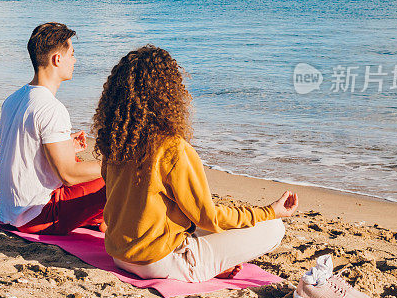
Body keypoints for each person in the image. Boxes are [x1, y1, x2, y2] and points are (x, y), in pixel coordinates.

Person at [92, 45, 298, 282]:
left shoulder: (116, 140)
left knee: (200, 224)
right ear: (168, 93)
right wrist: (269, 212)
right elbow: (206, 217)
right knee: (274, 228)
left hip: (120, 254)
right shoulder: (172, 147)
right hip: (158, 262)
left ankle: (212, 261)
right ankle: (208, 267)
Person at [0, 22, 105, 235]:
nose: (75, 60)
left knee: (82, 163)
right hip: (38, 214)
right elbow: (68, 176)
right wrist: (115, 165)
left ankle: (102, 219)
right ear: (57, 59)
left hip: (11, 211)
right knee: (121, 178)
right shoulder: (51, 108)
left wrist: (66, 146)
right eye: (72, 54)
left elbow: (22, 151)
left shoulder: (13, 99)